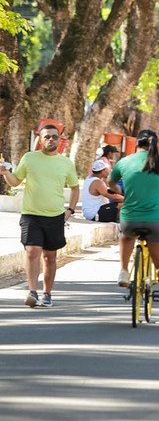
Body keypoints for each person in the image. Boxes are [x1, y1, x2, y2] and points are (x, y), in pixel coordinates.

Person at [0, 125, 80, 308]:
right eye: (47, 137)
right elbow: (16, 181)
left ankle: (47, 294)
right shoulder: (29, 158)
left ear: (60, 140)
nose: (50, 140)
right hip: (31, 215)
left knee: (50, 258)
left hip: (55, 216)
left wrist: (70, 210)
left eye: (54, 137)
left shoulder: (66, 163)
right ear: (40, 139)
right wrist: (6, 174)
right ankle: (32, 292)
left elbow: (75, 188)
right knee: (32, 252)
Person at [110, 130, 159, 327]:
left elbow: (110, 182)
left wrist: (120, 191)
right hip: (155, 220)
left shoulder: (125, 162)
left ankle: (124, 270)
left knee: (125, 237)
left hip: (130, 219)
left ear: (136, 144)